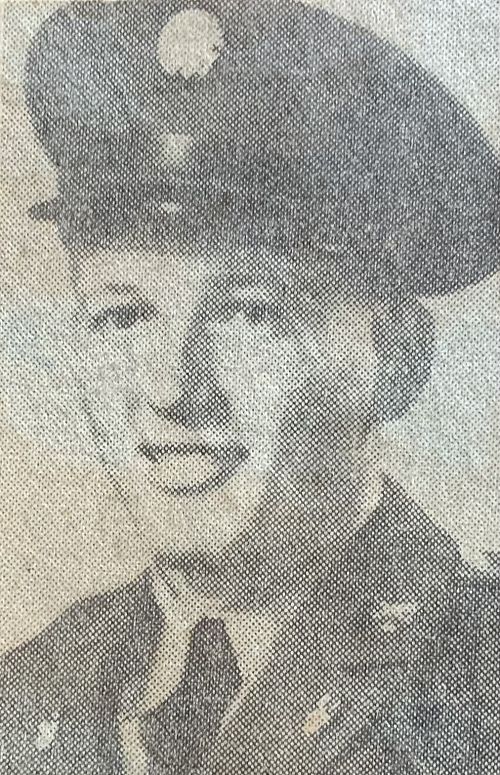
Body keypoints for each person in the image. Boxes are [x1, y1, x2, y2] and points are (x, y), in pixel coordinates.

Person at [1, 1, 499, 773]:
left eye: (249, 313)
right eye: (121, 315)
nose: (171, 386)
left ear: (397, 359)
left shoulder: (477, 676)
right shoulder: (27, 692)